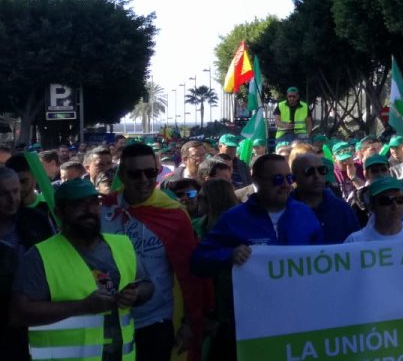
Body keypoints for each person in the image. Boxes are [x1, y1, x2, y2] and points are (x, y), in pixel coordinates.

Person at [190, 155, 321, 359]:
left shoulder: (305, 214)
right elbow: (198, 260)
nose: (286, 185)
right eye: (278, 180)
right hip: (249, 325)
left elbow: (322, 260)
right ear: (257, 181)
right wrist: (228, 255)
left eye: (289, 178)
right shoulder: (234, 219)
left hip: (298, 321)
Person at [12, 179, 154, 361]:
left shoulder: (122, 245)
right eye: (78, 204)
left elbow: (147, 285)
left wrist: (136, 295)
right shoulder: (40, 256)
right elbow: (18, 314)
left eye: (94, 203)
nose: (88, 210)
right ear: (58, 213)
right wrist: (81, 307)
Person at [100, 142, 205, 361]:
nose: (144, 179)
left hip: (156, 322)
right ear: (122, 175)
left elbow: (190, 273)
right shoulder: (104, 212)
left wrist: (189, 323)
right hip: (109, 322)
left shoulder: (173, 215)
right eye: (135, 174)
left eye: (150, 172)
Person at [0, 167, 55, 361]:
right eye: (4, 193)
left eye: (15, 191)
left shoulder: (36, 221)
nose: (11, 199)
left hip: (32, 314)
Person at [290, 153, 360, 244]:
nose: (317, 176)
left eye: (321, 170)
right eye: (309, 171)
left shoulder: (342, 209)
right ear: (294, 178)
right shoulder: (284, 210)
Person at [344, 177, 403, 243]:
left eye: (399, 199)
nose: (395, 206)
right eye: (386, 201)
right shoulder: (355, 241)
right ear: (372, 206)